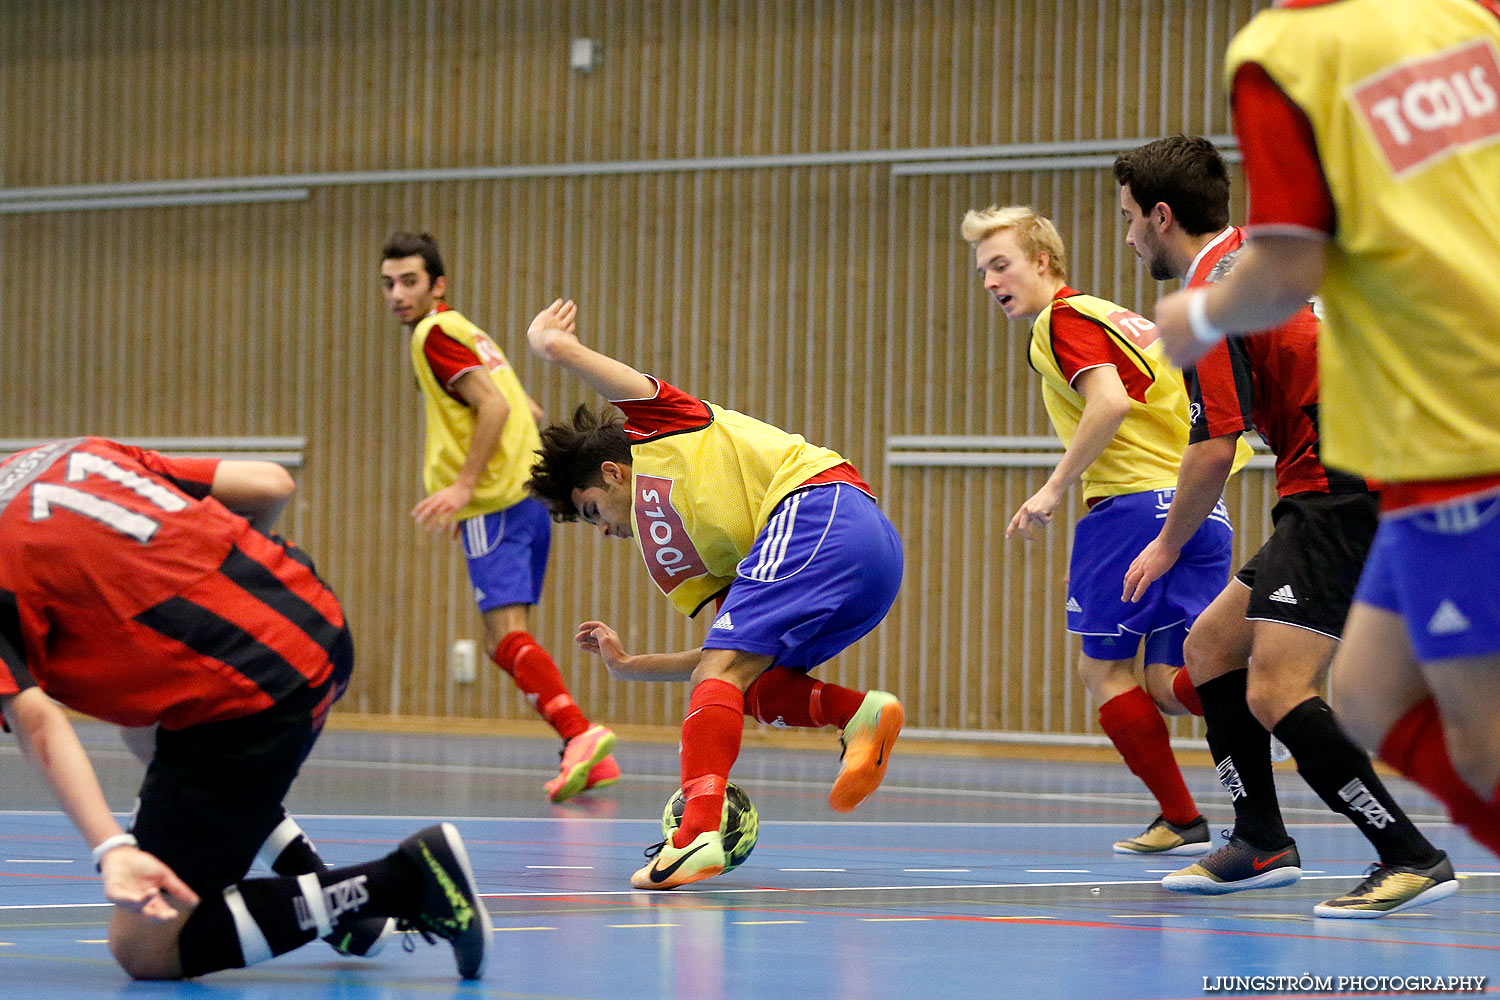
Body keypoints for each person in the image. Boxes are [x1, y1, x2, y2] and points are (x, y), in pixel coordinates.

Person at [1152, 0, 1500, 859]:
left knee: (1468, 735)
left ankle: (1409, 856)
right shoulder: (1468, 13)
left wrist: (1196, 315)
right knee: (1374, 693)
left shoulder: (1286, 52)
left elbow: (1289, 268)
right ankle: (1265, 838)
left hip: (1448, 416)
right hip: (1408, 441)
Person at [1114, 135, 1455, 917]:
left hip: (1346, 485)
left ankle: (1409, 854)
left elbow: (1212, 447)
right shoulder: (1264, 256)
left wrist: (1166, 545)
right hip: (1348, 475)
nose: (1129, 236)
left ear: (1161, 217)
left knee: (1275, 687)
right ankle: (1260, 838)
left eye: (1130, 218)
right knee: (1209, 648)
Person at [0, 437, 492, 980]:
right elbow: (269, 484)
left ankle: (405, 880)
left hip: (252, 693)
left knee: (145, 948)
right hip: (307, 608)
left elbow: (36, 721)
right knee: (141, 729)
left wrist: (111, 848)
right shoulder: (57, 456)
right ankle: (345, 911)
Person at [523, 299, 905, 890]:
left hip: (822, 509)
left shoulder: (660, 431)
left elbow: (621, 383)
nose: (601, 530)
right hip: (869, 557)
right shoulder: (680, 554)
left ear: (613, 474)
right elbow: (716, 664)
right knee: (749, 684)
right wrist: (626, 667)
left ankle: (696, 835)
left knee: (729, 673)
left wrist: (555, 347)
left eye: (592, 510)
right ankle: (858, 713)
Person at [961, 204, 1251, 856]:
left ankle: (1184, 811)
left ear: (1042, 261)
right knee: (1171, 679)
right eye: (983, 270)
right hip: (1200, 506)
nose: (989, 280)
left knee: (1104, 670)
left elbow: (1110, 402)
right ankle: (1276, 694)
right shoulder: (1125, 319)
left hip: (1131, 505)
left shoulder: (1060, 320)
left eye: (999, 264)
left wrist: (1053, 489)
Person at [381, 232, 618, 803]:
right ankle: (586, 752)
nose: (396, 294)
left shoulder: (435, 334)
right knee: (501, 641)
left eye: (409, 281)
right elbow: (529, 408)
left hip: (497, 503)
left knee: (506, 635)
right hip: (525, 498)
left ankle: (580, 735)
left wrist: (465, 486)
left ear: (437, 285)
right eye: (388, 283)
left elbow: (497, 405)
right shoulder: (468, 331)